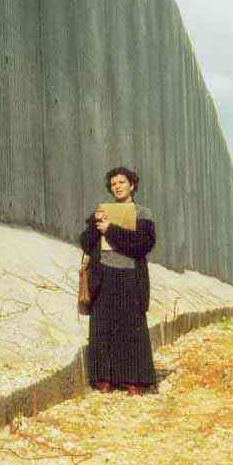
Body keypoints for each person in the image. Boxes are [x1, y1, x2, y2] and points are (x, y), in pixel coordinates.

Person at [78, 166, 157, 395]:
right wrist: (96, 225)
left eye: (122, 182)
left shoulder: (143, 214)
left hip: (130, 277)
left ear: (132, 185)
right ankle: (104, 379)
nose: (117, 187)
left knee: (131, 329)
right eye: (113, 184)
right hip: (104, 276)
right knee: (102, 328)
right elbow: (85, 243)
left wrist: (110, 230)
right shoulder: (102, 210)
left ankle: (135, 381)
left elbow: (142, 244)